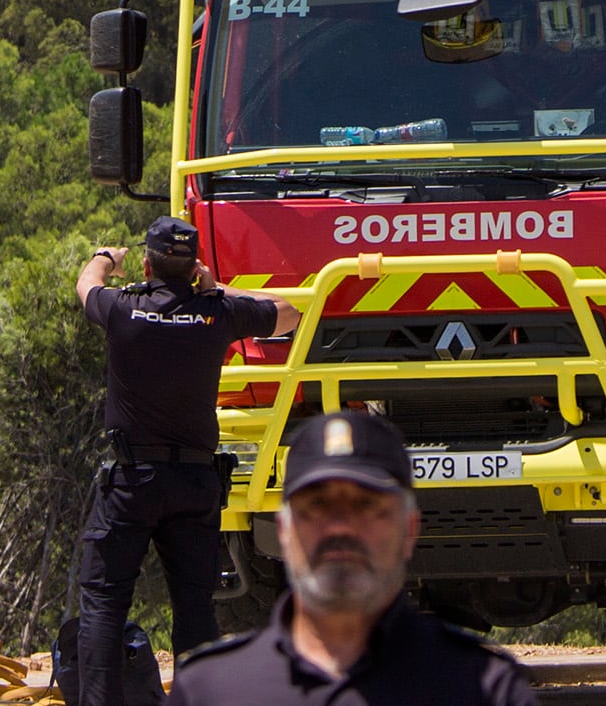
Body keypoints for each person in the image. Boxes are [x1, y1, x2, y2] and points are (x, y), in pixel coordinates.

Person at [71, 217, 301, 706]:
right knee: (195, 609)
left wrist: (106, 259)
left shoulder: (122, 309)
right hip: (195, 482)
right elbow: (289, 313)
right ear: (193, 265)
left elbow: (86, 286)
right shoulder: (217, 312)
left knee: (104, 605)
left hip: (132, 483)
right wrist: (219, 287)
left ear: (149, 263)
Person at [168, 410, 536, 706]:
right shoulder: (210, 691)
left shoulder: (482, 688)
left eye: (366, 505)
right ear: (283, 529)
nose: (340, 527)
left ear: (409, 528)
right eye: (318, 505)